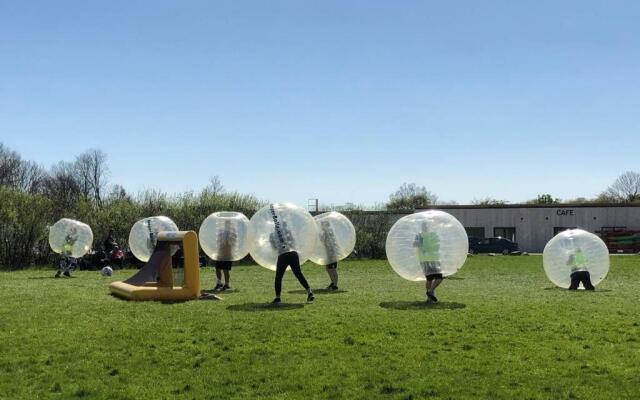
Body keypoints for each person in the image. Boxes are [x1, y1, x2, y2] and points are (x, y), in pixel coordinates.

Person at [269, 207, 314, 304]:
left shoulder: (273, 235)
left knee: (278, 277)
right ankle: (309, 291)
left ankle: (277, 298)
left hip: (283, 255)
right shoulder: (289, 232)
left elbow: (274, 247)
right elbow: (294, 243)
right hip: (293, 254)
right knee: (298, 274)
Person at [413, 222, 443, 303]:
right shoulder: (419, 235)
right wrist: (421, 243)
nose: (425, 227)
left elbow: (438, 245)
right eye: (424, 226)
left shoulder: (433, 235)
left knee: (438, 278)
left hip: (433, 258)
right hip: (425, 259)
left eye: (426, 226)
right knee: (431, 278)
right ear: (422, 227)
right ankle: (429, 297)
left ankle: (430, 292)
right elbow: (415, 244)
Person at [214, 220, 236, 291]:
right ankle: (219, 283)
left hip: (228, 253)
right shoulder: (221, 231)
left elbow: (233, 242)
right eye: (226, 223)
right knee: (217, 268)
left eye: (228, 223)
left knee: (225, 269)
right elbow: (218, 241)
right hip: (220, 252)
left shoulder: (232, 232)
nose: (227, 225)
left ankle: (227, 284)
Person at [319, 219, 340, 290]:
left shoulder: (329, 232)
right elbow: (324, 242)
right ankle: (332, 283)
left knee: (332, 269)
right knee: (328, 268)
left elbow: (332, 243)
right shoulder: (326, 232)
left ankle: (335, 285)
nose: (321, 226)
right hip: (328, 253)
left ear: (326, 225)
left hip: (332, 253)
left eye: (322, 225)